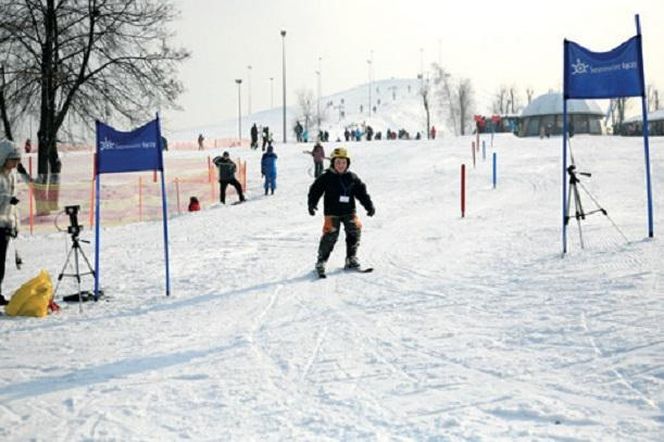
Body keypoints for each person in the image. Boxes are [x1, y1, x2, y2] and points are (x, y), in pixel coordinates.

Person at [307, 147, 375, 277]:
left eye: (343, 162)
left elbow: (362, 193)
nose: (341, 165)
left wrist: (369, 206)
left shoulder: (352, 177)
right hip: (332, 212)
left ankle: (351, 258)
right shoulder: (326, 177)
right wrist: (312, 204)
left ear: (347, 163)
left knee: (355, 229)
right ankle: (321, 261)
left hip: (349, 211)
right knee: (330, 235)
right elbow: (315, 190)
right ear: (333, 162)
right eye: (338, 162)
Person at [0, 140, 22, 306]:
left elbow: (14, 207)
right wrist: (8, 199)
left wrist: (15, 225)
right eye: (12, 159)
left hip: (6, 225)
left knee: (0, 263)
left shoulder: (13, 176)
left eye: (17, 160)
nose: (15, 163)